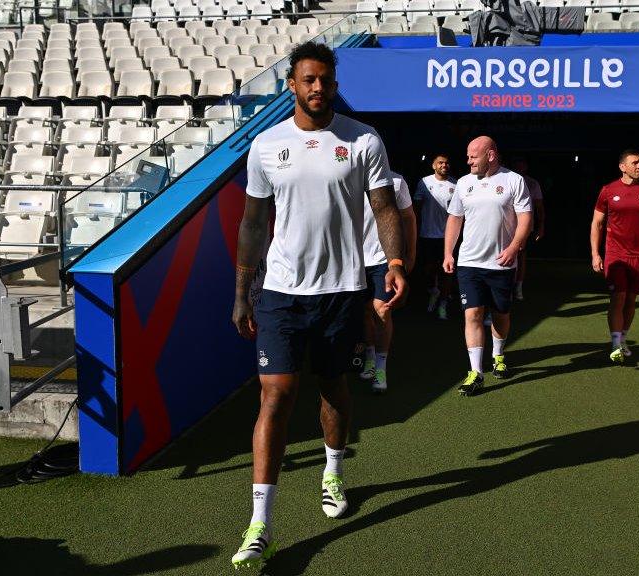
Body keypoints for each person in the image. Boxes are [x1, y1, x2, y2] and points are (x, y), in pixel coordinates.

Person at [230, 42, 408, 569]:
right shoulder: (265, 146)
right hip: (282, 293)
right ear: (291, 84)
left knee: (333, 388)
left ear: (333, 84)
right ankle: (261, 522)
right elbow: (253, 224)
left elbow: (383, 208)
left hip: (341, 290)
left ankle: (332, 471)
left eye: (325, 81)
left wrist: (393, 263)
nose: (317, 89)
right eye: (308, 80)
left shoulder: (363, 140)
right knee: (276, 398)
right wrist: (242, 290)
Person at [444, 136, 533, 396]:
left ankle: (498, 355)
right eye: (468, 155)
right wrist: (448, 252)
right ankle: (475, 372)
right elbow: (454, 219)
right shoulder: (463, 183)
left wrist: (514, 248)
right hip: (469, 262)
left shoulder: (514, 180)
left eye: (474, 155)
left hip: (501, 263)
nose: (468, 160)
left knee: (500, 314)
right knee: (472, 314)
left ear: (490, 155)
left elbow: (526, 218)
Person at [590, 149, 639, 364]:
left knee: (631, 300)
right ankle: (615, 343)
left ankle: (622, 338)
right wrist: (596, 253)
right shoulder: (608, 191)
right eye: (634, 163)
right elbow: (597, 223)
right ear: (622, 166)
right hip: (615, 254)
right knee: (619, 297)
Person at [359, 169, 417, 393]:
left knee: (382, 310)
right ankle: (371, 357)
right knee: (365, 312)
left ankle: (381, 368)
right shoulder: (348, 176)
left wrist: (410, 255)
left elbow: (409, 217)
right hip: (354, 259)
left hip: (385, 258)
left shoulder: (396, 180)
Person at [413, 153, 457, 319]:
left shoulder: (456, 184)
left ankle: (443, 305)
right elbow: (416, 209)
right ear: (433, 166)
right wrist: (415, 231)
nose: (444, 165)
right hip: (427, 235)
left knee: (447, 271)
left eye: (446, 163)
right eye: (440, 163)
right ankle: (434, 291)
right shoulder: (424, 182)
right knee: (429, 269)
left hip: (448, 237)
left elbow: (460, 213)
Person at [510, 157, 545, 301]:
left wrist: (541, 227)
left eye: (522, 164)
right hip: (506, 227)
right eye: (517, 164)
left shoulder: (532, 183)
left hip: (524, 227)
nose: (519, 167)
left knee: (520, 256)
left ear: (525, 166)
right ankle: (507, 288)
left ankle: (518, 287)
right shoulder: (507, 179)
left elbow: (539, 207)